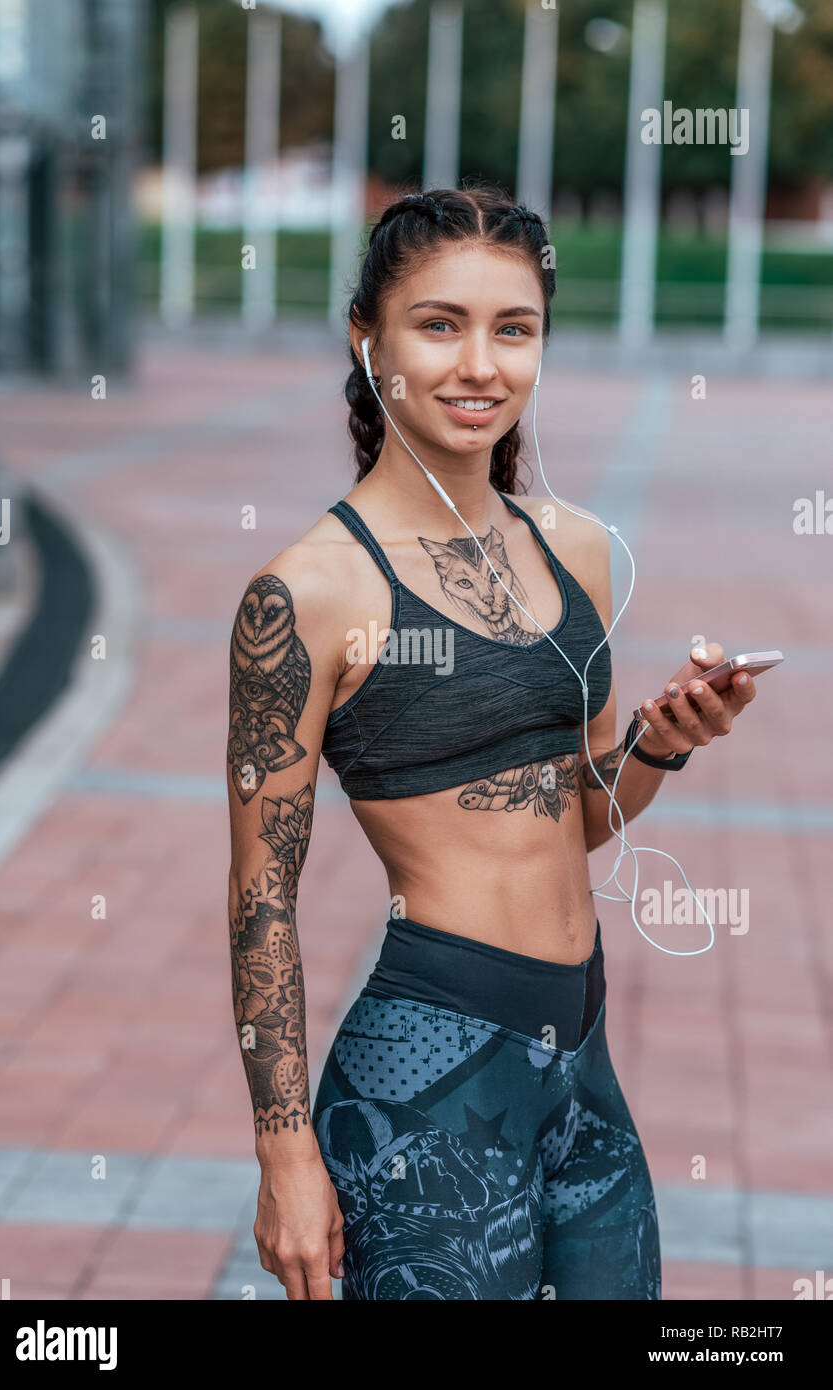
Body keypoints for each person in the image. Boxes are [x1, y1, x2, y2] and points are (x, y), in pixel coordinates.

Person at [225, 182, 758, 1301]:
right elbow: (262, 892)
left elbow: (584, 819)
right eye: (440, 324)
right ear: (369, 340)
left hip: (581, 1066)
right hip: (425, 1082)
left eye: (513, 329)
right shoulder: (308, 593)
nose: (481, 365)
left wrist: (666, 742)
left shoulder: (577, 550)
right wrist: (284, 1157)